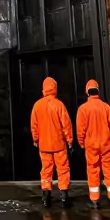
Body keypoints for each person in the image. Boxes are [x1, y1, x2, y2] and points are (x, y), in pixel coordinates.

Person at [76, 79, 110, 209]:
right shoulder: (106, 107)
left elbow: (80, 129)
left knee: (93, 171)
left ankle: (95, 200)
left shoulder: (83, 109)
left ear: (87, 92)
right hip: (106, 144)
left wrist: (81, 143)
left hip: (91, 146)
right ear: (98, 91)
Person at [30, 77, 74, 207]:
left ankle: (46, 196)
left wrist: (35, 139)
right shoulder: (59, 105)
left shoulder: (37, 105)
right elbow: (66, 125)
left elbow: (34, 125)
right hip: (59, 144)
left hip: (44, 145)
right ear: (54, 88)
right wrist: (70, 141)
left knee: (46, 170)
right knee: (63, 170)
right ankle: (64, 196)